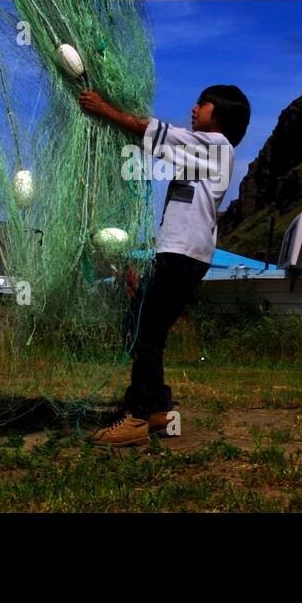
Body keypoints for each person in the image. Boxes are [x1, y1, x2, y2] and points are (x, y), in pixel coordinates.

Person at [77, 84, 250, 447]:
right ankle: (156, 407)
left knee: (147, 333)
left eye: (202, 103)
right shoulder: (202, 152)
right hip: (176, 252)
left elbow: (150, 131)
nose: (194, 107)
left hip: (184, 254)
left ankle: (138, 417)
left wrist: (104, 109)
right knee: (140, 323)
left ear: (218, 115)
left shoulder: (217, 146)